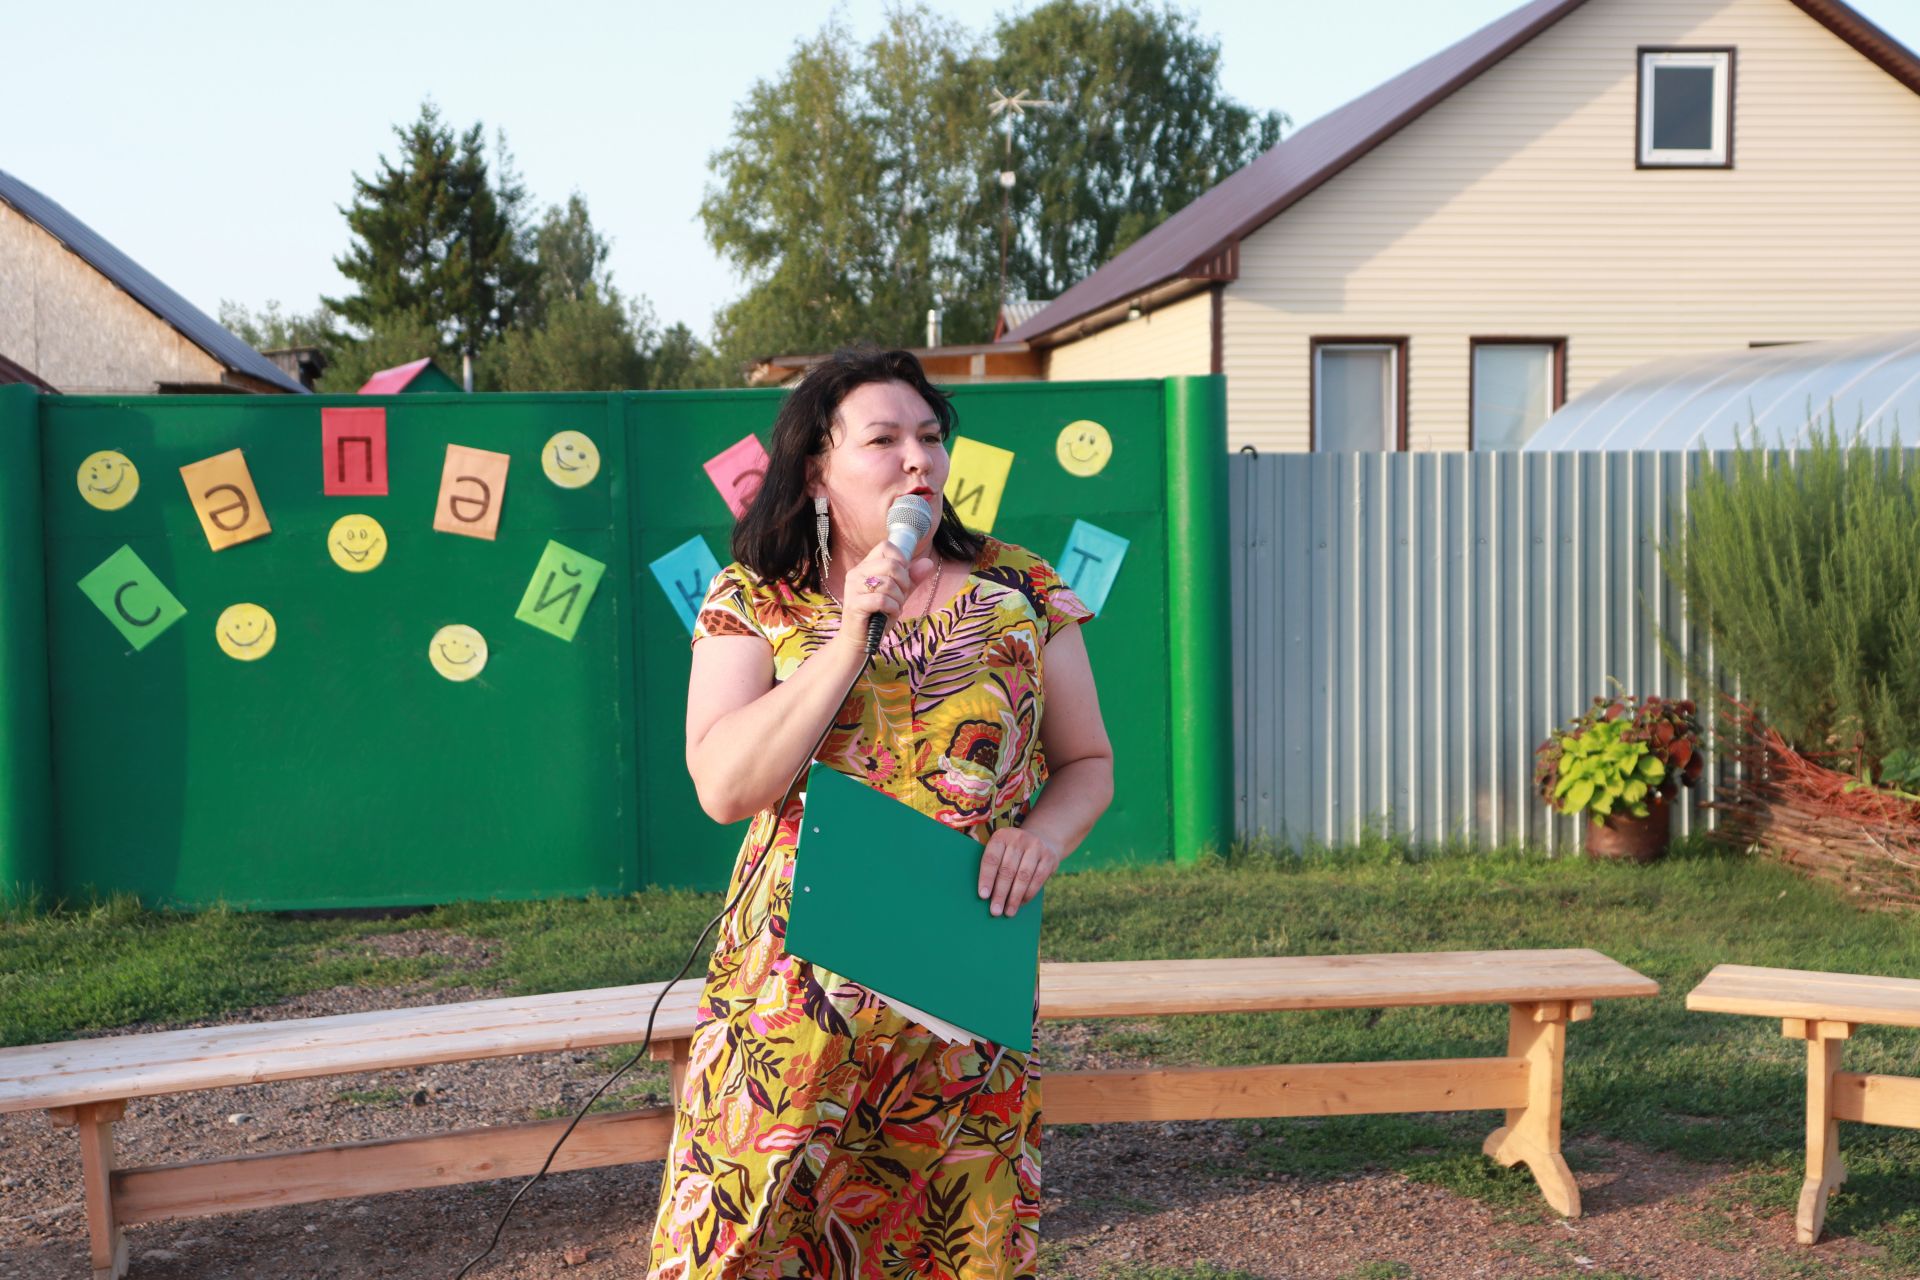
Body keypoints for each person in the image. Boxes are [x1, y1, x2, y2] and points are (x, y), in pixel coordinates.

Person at [646, 347, 1114, 1279]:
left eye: (932, 437)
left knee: (946, 1245)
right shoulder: (757, 597)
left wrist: (1042, 837)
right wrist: (852, 633)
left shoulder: (1020, 589)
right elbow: (724, 786)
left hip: (958, 990)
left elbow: (1089, 763)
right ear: (817, 465)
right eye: (885, 439)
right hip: (791, 994)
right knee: (735, 1246)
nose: (919, 460)